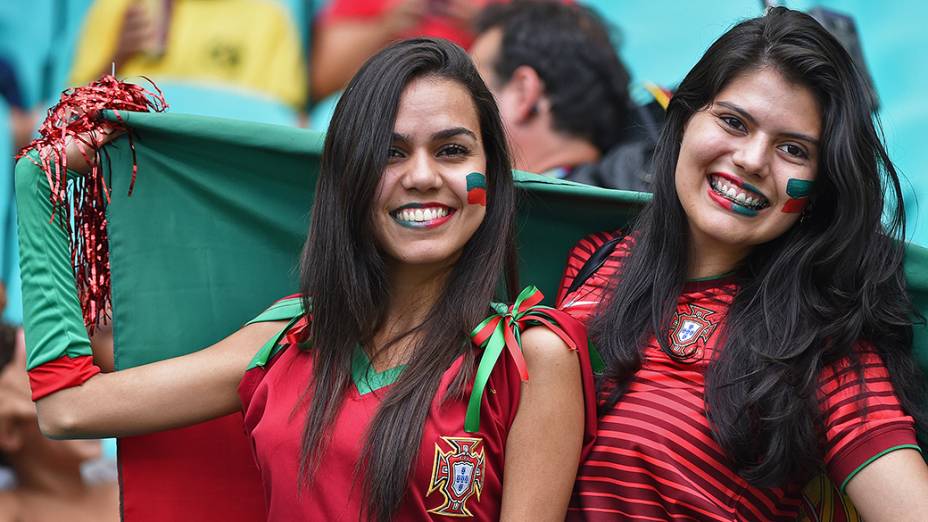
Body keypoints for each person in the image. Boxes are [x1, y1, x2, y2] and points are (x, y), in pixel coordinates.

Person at [20, 38, 594, 521]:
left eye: (451, 150)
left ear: (490, 178)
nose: (422, 175)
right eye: (389, 153)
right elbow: (68, 408)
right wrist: (37, 180)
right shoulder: (289, 337)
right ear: (349, 181)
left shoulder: (529, 357)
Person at [555, 7, 928, 521]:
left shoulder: (820, 343)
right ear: (683, 119)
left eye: (793, 149)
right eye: (733, 122)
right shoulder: (588, 262)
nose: (752, 160)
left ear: (821, 186)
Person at [469, 1, 651, 191]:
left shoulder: (522, 216)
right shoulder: (653, 192)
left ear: (522, 93)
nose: (457, 104)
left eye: (471, 88)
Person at [0, 324, 118, 522]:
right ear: (10, 429)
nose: (85, 391)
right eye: (51, 378)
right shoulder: (11, 510)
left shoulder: (123, 479)